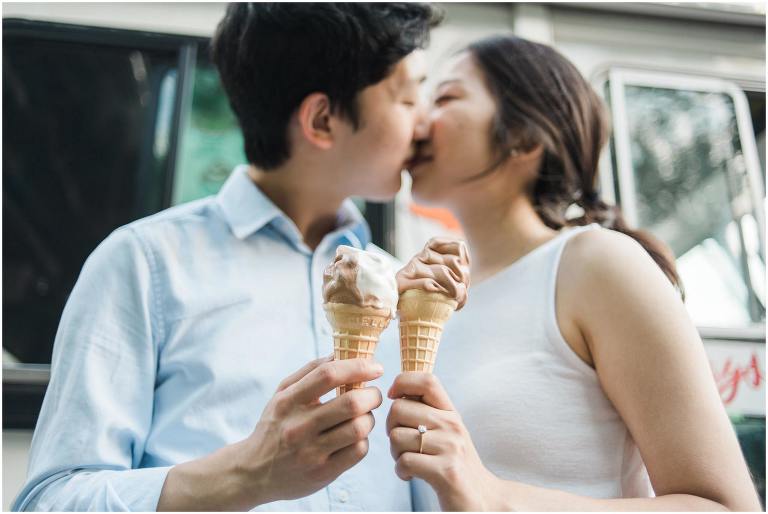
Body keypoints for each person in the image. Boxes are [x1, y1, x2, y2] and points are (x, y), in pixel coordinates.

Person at [12, 3, 442, 511]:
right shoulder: (144, 265)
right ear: (323, 120)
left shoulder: (404, 286)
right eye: (409, 98)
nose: (426, 123)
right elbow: (49, 502)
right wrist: (248, 473)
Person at [386, 35, 762, 511]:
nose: (417, 122)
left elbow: (726, 507)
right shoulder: (430, 297)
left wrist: (495, 495)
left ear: (523, 136)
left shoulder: (597, 264)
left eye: (445, 98)